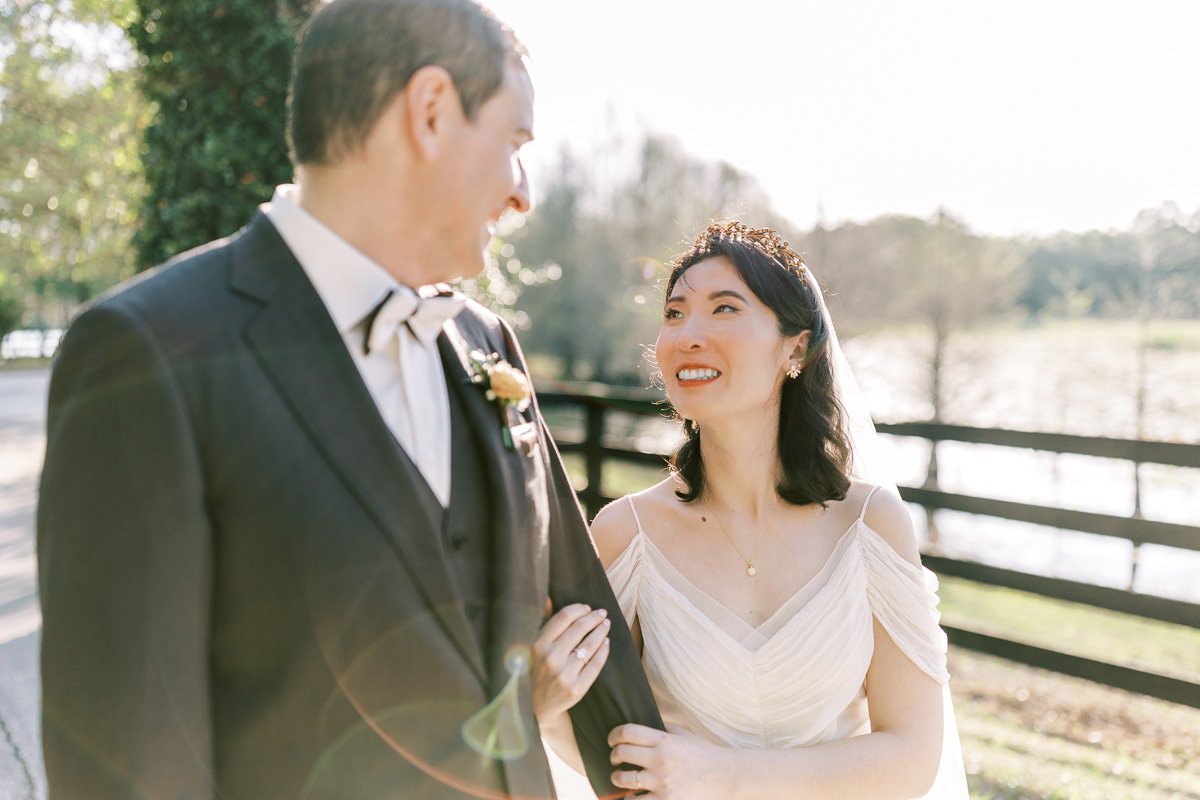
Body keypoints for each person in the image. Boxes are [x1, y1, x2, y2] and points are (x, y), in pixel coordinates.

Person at [36, 1, 661, 798]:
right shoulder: (151, 353)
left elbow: (580, 612)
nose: (523, 194)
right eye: (513, 144)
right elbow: (125, 760)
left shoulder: (486, 346)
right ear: (431, 112)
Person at [538, 221, 968, 799]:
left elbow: (912, 756)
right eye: (674, 312)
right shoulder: (626, 533)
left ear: (795, 346)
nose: (689, 334)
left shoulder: (870, 524)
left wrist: (718, 775)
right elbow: (598, 741)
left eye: (723, 308)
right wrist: (540, 705)